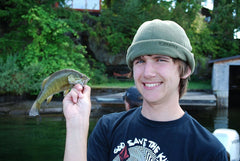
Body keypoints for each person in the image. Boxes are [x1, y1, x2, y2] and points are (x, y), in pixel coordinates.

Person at [63, 19, 228, 161]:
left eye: (161, 59)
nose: (148, 73)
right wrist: (76, 125)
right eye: (140, 61)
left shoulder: (208, 151)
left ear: (184, 70)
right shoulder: (108, 128)